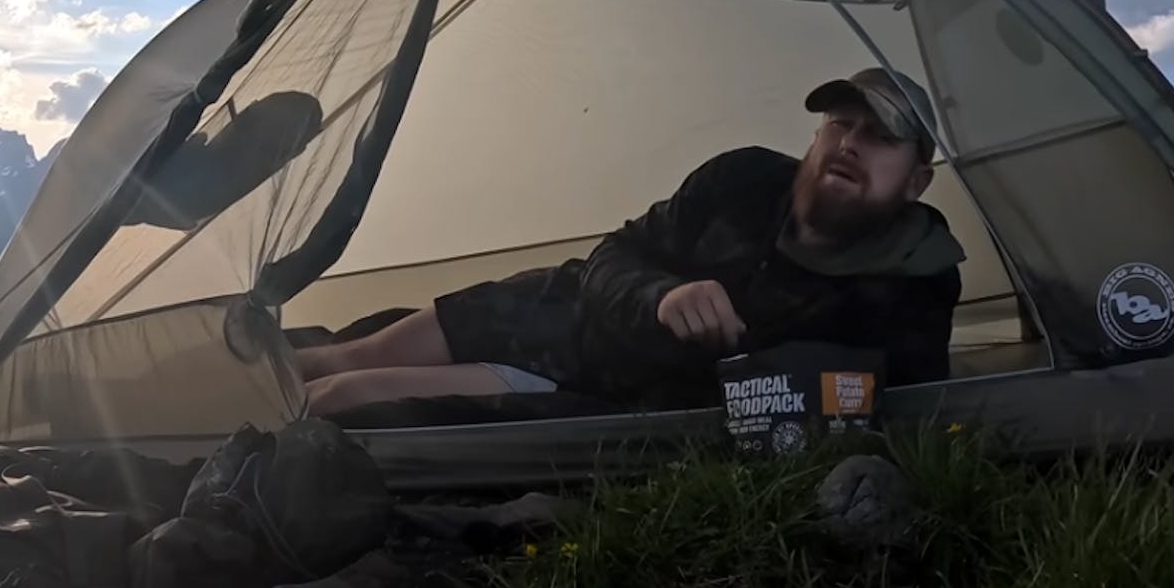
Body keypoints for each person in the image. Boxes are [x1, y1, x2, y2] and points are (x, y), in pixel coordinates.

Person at [296, 68, 967, 416]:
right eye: (838, 125)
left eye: (879, 135)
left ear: (915, 180)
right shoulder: (742, 177)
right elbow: (615, 254)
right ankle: (213, 388)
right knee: (336, 358)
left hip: (591, 386)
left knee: (344, 396)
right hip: (552, 302)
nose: (849, 142)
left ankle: (226, 455)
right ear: (812, 139)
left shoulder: (914, 281)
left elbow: (894, 407)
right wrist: (663, 295)